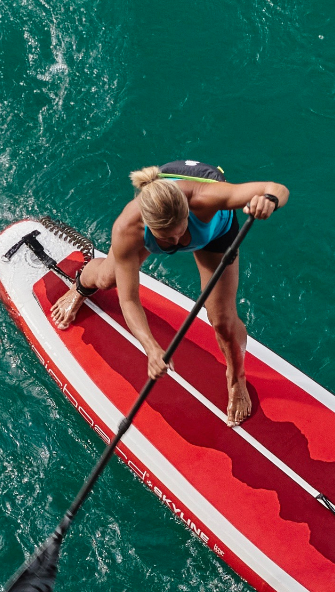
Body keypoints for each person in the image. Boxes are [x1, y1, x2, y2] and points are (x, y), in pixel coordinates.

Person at [49, 160, 287, 427]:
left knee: (222, 319)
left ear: (187, 213)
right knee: (107, 279)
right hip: (159, 212)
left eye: (180, 232)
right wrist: (150, 348)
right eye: (167, 238)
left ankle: (236, 376)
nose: (176, 244)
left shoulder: (205, 199)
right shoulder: (128, 228)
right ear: (148, 225)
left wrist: (269, 200)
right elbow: (128, 299)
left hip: (213, 232)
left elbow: (275, 187)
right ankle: (81, 285)